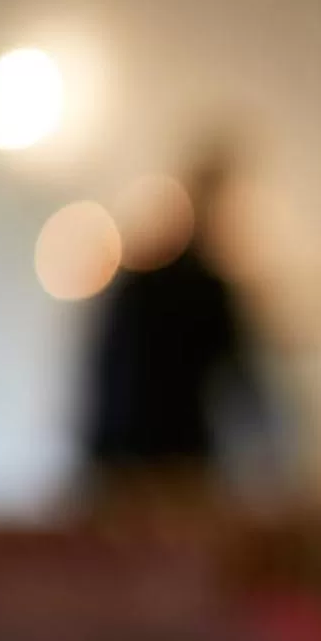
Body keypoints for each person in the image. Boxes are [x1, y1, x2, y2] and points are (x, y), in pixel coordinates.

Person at [78, 146, 274, 486]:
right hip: (167, 465)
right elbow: (243, 382)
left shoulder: (137, 286)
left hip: (129, 462)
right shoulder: (196, 290)